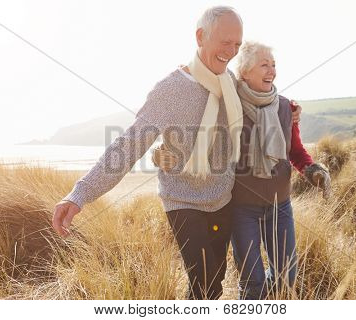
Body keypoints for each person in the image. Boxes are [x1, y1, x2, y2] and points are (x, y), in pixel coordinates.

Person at [52, 6, 244, 300]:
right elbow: (128, 145)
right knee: (205, 280)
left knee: (213, 283)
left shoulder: (229, 82)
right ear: (201, 36)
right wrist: (80, 193)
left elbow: (259, 102)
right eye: (225, 42)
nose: (231, 51)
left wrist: (290, 112)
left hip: (223, 197)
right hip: (183, 199)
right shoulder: (169, 90)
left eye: (237, 45)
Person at [153, 41, 331, 299]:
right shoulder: (227, 106)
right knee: (253, 281)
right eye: (264, 65)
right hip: (240, 208)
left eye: (273, 64)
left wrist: (312, 168)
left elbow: (295, 151)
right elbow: (195, 135)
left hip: (280, 206)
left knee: (285, 276)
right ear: (244, 72)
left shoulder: (285, 108)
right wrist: (162, 151)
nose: (271, 70)